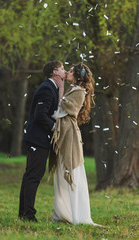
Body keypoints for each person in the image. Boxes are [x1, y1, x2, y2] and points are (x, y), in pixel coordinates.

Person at [49, 63, 102, 226]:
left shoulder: (79, 91)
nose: (68, 72)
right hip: (65, 131)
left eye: (71, 71)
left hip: (69, 134)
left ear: (78, 75)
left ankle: (79, 215)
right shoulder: (74, 89)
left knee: (71, 170)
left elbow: (65, 110)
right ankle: (63, 212)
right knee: (62, 170)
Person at [19, 60, 66, 222]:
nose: (64, 71)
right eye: (62, 69)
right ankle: (28, 215)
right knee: (33, 176)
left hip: (38, 139)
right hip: (37, 139)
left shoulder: (52, 87)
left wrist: (61, 90)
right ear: (54, 72)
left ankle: (23, 213)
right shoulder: (46, 88)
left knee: (29, 176)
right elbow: (40, 115)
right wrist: (55, 128)